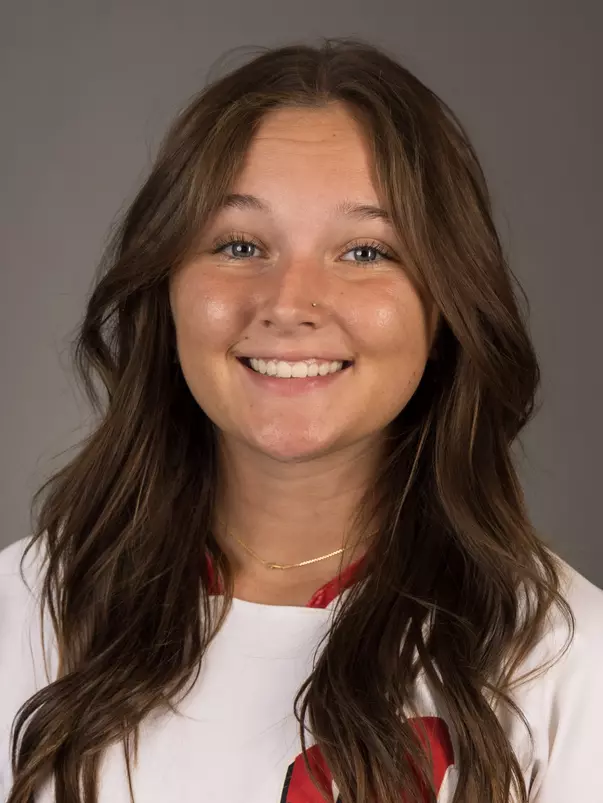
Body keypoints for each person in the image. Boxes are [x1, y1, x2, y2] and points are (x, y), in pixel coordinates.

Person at [1, 36, 602, 803]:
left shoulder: (561, 659)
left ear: (447, 304)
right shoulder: (22, 613)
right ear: (165, 289)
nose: (289, 303)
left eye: (363, 251)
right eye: (240, 243)